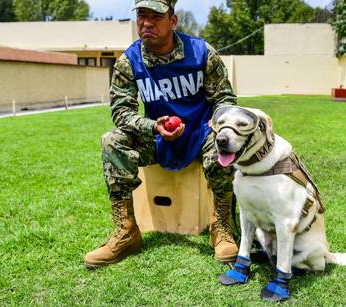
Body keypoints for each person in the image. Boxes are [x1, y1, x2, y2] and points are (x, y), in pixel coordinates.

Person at [84, 0, 238, 268]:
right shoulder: (129, 61)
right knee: (113, 140)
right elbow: (121, 112)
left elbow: (224, 98)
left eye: (156, 16)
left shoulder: (201, 52)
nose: (147, 23)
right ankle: (126, 231)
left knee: (224, 140)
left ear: (173, 21)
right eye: (142, 16)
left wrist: (218, 120)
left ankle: (222, 226)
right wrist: (153, 126)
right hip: (156, 138)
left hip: (200, 133)